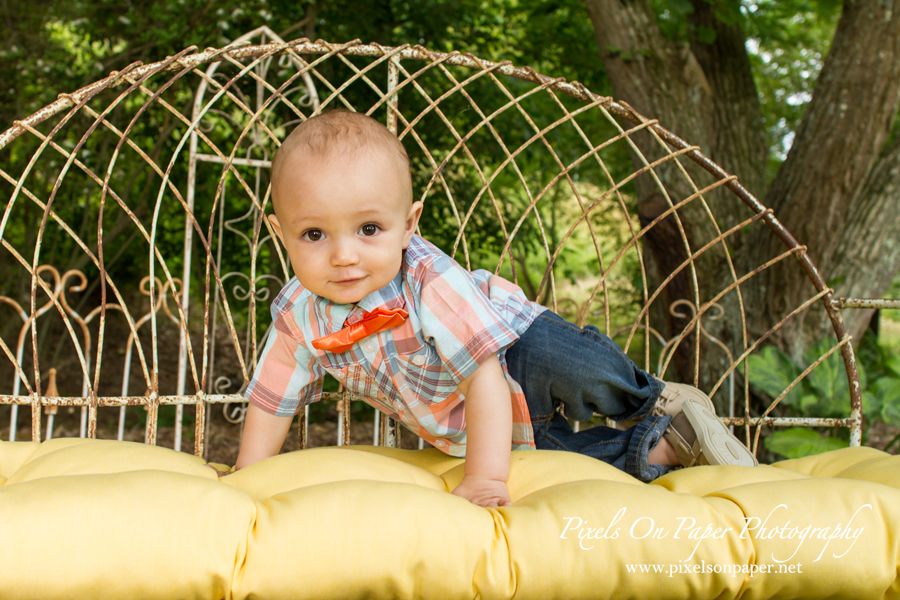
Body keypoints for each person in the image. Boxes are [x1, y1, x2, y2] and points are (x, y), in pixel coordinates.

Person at [224, 110, 758, 508]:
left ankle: (651, 399)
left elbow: (486, 379)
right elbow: (274, 398)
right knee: (562, 464)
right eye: (314, 234)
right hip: (467, 427)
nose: (344, 255)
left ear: (409, 226)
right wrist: (248, 473)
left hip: (515, 353)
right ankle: (666, 446)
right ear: (281, 234)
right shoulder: (298, 315)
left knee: (572, 365)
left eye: (369, 229)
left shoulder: (429, 281)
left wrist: (484, 480)